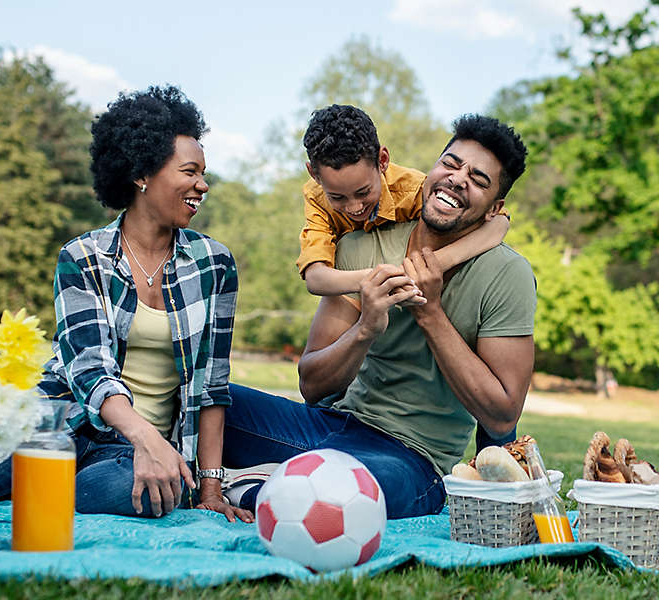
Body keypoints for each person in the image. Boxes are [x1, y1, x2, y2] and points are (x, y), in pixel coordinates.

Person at [222, 114, 536, 519]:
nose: (458, 179)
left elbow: (501, 414)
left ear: (495, 209)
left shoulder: (507, 275)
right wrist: (365, 329)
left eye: (478, 179)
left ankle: (251, 489)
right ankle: (273, 481)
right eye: (452, 164)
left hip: (409, 460)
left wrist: (431, 312)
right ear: (431, 170)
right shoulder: (359, 248)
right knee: (209, 403)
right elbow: (313, 387)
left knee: (356, 490)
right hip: (330, 427)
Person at [0, 85, 252, 524]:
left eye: (203, 173)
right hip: (64, 423)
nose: (202, 185)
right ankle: (47, 475)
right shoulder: (82, 257)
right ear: (141, 174)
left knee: (147, 490)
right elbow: (90, 369)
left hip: (130, 453)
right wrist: (146, 437)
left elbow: (212, 384)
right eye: (190, 171)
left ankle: (51, 485)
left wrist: (209, 488)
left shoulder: (215, 263)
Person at [298, 104, 510, 297]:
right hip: (361, 295)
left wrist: (437, 263)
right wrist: (386, 278)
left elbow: (498, 223)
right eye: (337, 197)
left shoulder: (413, 189)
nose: (354, 206)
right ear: (313, 174)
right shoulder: (316, 197)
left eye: (363, 192)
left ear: (382, 161)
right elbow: (316, 278)